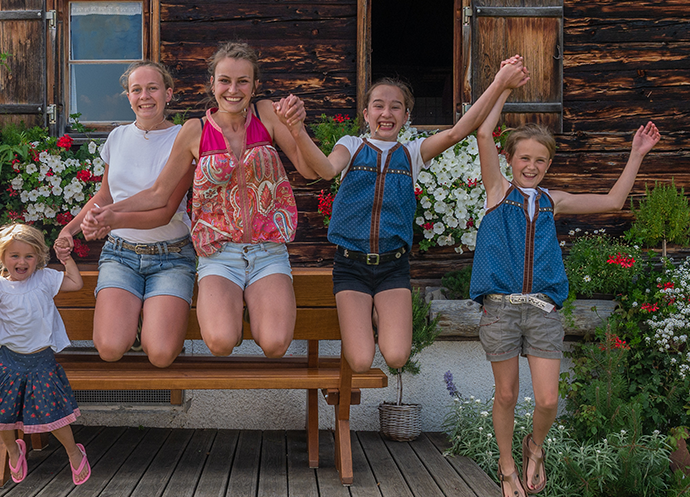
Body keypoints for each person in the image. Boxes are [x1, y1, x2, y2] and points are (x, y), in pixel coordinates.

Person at [277, 57, 531, 376]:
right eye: (379, 106)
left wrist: (499, 83)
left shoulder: (412, 153)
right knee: (359, 362)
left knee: (396, 357)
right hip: (351, 267)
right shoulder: (352, 146)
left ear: (407, 116)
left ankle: (379, 312)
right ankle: (369, 311)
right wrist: (297, 131)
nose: (386, 113)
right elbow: (327, 170)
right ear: (366, 113)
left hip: (392, 268)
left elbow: (457, 133)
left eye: (396, 107)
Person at [470, 90, 659, 497]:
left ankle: (534, 447)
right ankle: (506, 466)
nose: (531, 166)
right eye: (524, 158)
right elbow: (483, 131)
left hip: (542, 311)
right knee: (505, 395)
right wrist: (502, 86)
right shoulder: (498, 191)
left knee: (548, 400)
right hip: (500, 310)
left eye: (540, 160)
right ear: (509, 159)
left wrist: (637, 154)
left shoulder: (555, 202)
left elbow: (613, 201)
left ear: (548, 164)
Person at [86, 42, 318, 358]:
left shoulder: (267, 115)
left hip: (268, 251)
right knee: (221, 342)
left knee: (276, 344)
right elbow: (158, 193)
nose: (233, 89)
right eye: (225, 80)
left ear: (255, 85)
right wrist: (108, 212)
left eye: (243, 81)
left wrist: (297, 128)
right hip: (220, 254)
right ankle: (234, 307)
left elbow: (310, 171)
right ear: (212, 83)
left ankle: (254, 303)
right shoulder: (196, 130)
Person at [56, 61, 195, 368]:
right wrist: (71, 229)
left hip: (170, 257)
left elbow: (165, 211)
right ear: (128, 97)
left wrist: (111, 219)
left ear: (169, 94)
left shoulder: (183, 138)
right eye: (136, 90)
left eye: (153, 88)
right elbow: (105, 196)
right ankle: (133, 319)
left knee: (160, 354)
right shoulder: (117, 137)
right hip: (121, 256)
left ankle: (150, 319)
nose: (145, 96)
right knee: (109, 348)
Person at [0, 223, 90, 486]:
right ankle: (14, 451)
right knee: (3, 416)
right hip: (8, 362)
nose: (22, 262)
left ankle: (73, 451)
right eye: (14, 255)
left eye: (29, 256)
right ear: (1, 257)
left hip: (41, 362)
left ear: (38, 257)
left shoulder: (45, 279)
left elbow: (75, 282)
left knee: (54, 415)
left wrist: (66, 259)